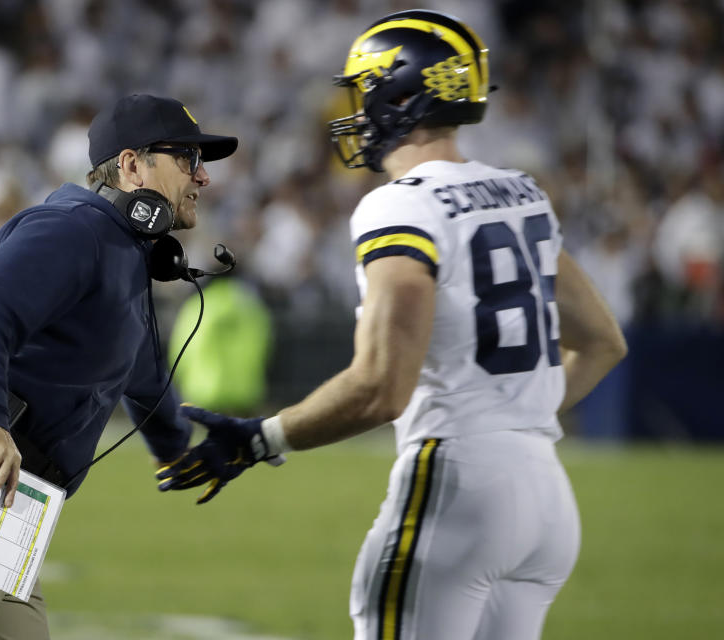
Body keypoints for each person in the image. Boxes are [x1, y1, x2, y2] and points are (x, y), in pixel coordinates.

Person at [157, 10, 627, 640]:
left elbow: (382, 386)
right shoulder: (522, 193)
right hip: (545, 494)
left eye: (362, 91)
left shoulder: (402, 203)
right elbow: (603, 343)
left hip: (461, 484)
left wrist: (259, 439)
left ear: (399, 95)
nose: (352, 109)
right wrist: (513, 416)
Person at [0, 93, 237, 640]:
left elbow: (144, 379)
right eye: (187, 157)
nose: (202, 176)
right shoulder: (76, 230)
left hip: (5, 496)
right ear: (133, 165)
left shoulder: (122, 254)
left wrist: (184, 449)